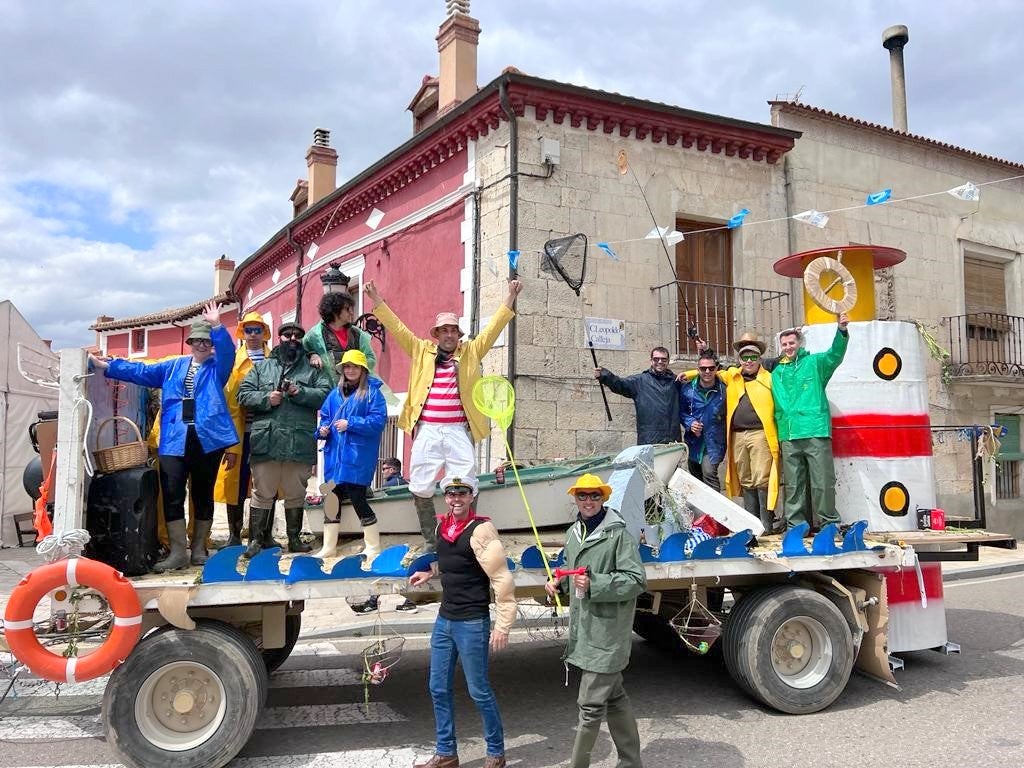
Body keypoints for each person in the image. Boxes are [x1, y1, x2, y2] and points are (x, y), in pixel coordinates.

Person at [363, 278, 522, 554]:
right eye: (444, 330)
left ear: (458, 334)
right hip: (427, 429)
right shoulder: (421, 349)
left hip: (459, 429)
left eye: (453, 330)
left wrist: (510, 296)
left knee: (466, 481)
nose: (449, 334)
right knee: (421, 484)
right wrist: (376, 300)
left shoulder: (471, 351)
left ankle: (464, 537)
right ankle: (430, 540)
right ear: (436, 334)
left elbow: (495, 328)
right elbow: (397, 328)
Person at [89, 302, 237, 571]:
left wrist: (217, 325)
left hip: (208, 439)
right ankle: (179, 551)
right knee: (172, 494)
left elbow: (228, 349)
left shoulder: (219, 367)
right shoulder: (172, 366)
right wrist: (106, 366)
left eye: (207, 341)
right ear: (190, 342)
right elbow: (141, 372)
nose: (202, 345)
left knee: (203, 494)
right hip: (174, 439)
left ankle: (200, 548)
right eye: (197, 341)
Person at [409, 476, 515, 768]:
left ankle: (496, 752)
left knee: (478, 690)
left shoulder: (481, 529)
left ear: (472, 496)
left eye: (462, 493)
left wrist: (502, 625)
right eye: (451, 493)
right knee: (437, 688)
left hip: (472, 622)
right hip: (445, 620)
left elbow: (501, 578)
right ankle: (446, 753)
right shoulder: (442, 526)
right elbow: (451, 559)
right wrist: (430, 573)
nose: (456, 498)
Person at [545, 473, 646, 768]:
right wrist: (558, 583)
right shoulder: (574, 532)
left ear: (603, 499)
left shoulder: (619, 535)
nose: (588, 501)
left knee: (589, 707)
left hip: (607, 634)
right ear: (575, 499)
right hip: (585, 630)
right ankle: (631, 763)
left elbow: (636, 580)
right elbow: (573, 570)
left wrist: (596, 584)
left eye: (595, 496)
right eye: (582, 496)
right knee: (614, 699)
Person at [237, 321, 331, 556]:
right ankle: (256, 540)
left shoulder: (312, 369)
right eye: (287, 335)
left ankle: (294, 539)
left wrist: (301, 393)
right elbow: (242, 394)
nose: (291, 339)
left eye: (296, 336)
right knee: (261, 493)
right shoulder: (262, 368)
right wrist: (267, 398)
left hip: (297, 443)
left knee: (295, 493)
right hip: (266, 442)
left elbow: (326, 395)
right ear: (278, 338)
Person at [772, 315, 850, 531]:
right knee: (793, 485)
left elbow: (835, 355)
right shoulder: (777, 371)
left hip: (815, 431)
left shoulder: (815, 363)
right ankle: (796, 525)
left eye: (792, 343)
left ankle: (829, 524)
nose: (788, 347)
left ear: (800, 343)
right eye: (785, 344)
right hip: (788, 434)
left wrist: (841, 331)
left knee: (822, 481)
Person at [314, 349, 387, 561]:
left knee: (358, 497)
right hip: (334, 458)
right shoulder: (334, 394)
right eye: (347, 366)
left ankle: (373, 546)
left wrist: (351, 424)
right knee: (332, 499)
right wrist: (322, 431)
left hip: (357, 457)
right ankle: (329, 547)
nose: (350, 370)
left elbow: (378, 422)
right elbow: (325, 418)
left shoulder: (373, 393)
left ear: (363, 369)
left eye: (355, 366)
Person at [213, 311, 270, 547]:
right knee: (235, 481)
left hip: (266, 431)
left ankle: (262, 535)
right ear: (243, 333)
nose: (253, 334)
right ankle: (235, 534)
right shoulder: (234, 361)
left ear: (264, 332)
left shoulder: (273, 359)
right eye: (249, 330)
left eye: (258, 329)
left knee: (267, 483)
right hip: (239, 432)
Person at [594, 346, 681, 445]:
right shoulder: (639, 381)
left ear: (668, 361)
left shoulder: (676, 381)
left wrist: (703, 351)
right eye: (656, 359)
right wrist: (604, 375)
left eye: (663, 359)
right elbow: (619, 384)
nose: (660, 362)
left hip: (672, 440)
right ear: (651, 361)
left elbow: (699, 382)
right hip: (649, 441)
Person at [304, 291, 376, 384]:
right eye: (347, 309)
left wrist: (355, 369)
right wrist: (312, 354)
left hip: (357, 390)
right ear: (334, 310)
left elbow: (370, 359)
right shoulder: (314, 336)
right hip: (329, 394)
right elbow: (303, 353)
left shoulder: (357, 333)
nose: (351, 312)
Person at [679, 351, 726, 491]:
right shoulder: (687, 389)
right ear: (697, 369)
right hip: (694, 442)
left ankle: (716, 512)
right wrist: (690, 422)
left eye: (711, 368)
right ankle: (701, 512)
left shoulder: (725, 390)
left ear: (717, 368)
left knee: (709, 473)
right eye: (703, 368)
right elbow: (681, 412)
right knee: (696, 478)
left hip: (714, 442)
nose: (707, 371)